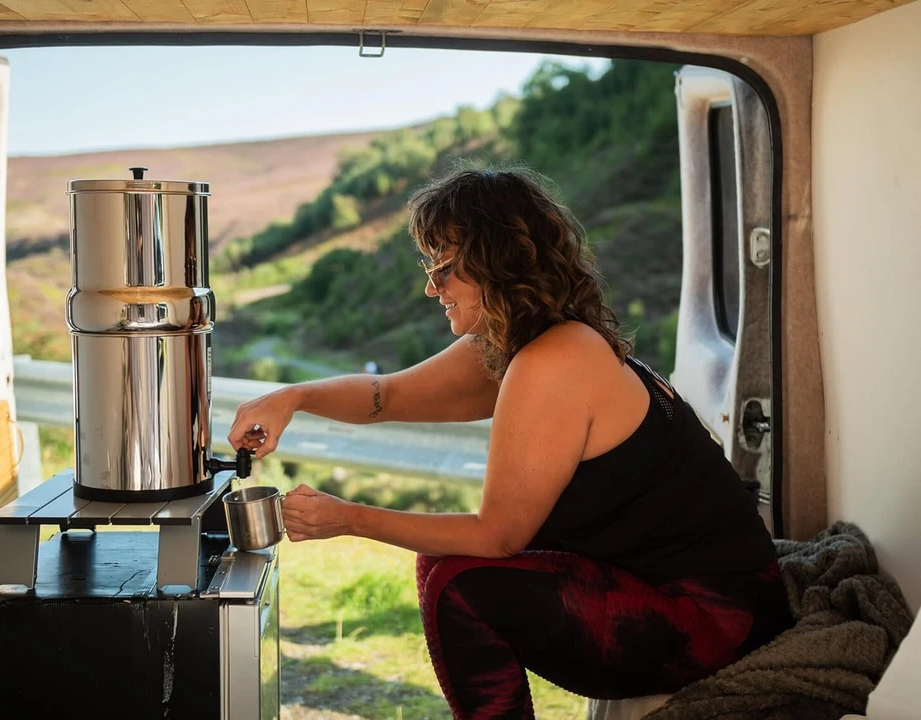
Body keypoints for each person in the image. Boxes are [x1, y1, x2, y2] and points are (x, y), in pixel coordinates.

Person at [227, 167, 793, 719]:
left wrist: (348, 517)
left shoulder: (556, 360)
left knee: (459, 585)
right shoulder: (527, 341)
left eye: (444, 268)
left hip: (720, 618)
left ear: (498, 261)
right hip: (687, 590)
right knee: (442, 564)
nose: (431, 288)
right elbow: (389, 396)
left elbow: (497, 536)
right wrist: (293, 397)